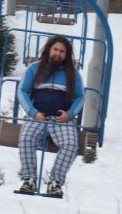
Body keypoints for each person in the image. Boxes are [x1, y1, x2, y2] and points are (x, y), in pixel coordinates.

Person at [17, 35, 84, 197]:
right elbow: (22, 91)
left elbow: (79, 96)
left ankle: (55, 182)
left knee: (70, 145)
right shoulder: (34, 68)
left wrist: (69, 114)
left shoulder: (72, 74)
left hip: (61, 120)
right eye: (55, 49)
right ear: (48, 50)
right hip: (39, 116)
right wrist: (33, 112)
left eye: (62, 51)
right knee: (26, 138)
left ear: (66, 55)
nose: (58, 54)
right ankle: (29, 179)